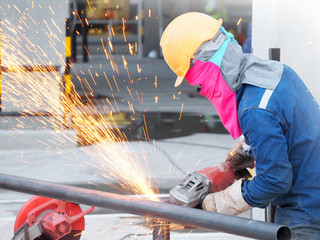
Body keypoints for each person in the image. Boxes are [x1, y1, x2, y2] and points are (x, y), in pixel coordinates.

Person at [160, 12, 320, 239]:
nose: (201, 90)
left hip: (306, 216)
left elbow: (274, 181)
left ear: (203, 64)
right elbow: (288, 129)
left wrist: (214, 205)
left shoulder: (254, 110)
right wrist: (245, 151)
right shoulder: (276, 72)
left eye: (196, 82)